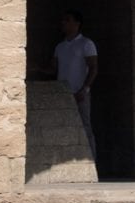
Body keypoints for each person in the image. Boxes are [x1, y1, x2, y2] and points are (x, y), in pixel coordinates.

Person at [40, 9, 99, 158]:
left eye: (67, 20)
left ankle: (91, 159)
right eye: (63, 20)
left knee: (85, 126)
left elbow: (93, 67)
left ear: (77, 24)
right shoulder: (60, 46)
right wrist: (36, 68)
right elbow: (53, 69)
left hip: (80, 93)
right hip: (63, 94)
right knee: (64, 126)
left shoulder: (86, 43)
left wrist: (84, 90)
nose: (63, 23)